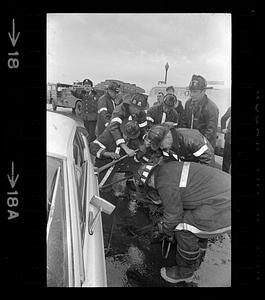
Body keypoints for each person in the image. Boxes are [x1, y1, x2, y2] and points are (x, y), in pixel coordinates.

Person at [134, 159, 231, 283]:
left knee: (183, 227)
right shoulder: (169, 169)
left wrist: (163, 229)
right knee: (193, 217)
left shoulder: (163, 184)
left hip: (223, 207)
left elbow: (173, 216)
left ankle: (185, 272)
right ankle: (199, 246)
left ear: (148, 182)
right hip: (222, 194)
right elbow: (185, 196)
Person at [90, 120, 142, 185]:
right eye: (127, 136)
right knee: (96, 185)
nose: (128, 139)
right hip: (102, 166)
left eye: (130, 137)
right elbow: (93, 147)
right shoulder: (109, 135)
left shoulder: (132, 140)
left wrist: (137, 155)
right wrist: (108, 154)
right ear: (123, 131)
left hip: (114, 170)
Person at [145, 123, 215, 166]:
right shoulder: (168, 145)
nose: (161, 147)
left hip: (203, 162)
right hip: (188, 162)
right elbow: (167, 161)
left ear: (167, 137)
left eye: (161, 144)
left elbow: (208, 160)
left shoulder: (192, 140)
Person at [181, 75, 219, 149]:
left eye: (195, 92)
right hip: (190, 145)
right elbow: (184, 122)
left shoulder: (211, 107)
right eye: (190, 91)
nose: (191, 94)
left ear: (203, 91)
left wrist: (197, 144)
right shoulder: (188, 103)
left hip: (205, 148)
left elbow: (210, 132)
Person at [108, 93, 149, 158]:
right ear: (130, 105)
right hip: (114, 136)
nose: (137, 111)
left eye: (139, 109)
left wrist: (144, 140)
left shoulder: (141, 113)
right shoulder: (119, 110)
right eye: (135, 108)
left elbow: (143, 129)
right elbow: (114, 128)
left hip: (131, 137)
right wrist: (125, 148)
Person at [74, 78, 100, 143]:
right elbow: (78, 95)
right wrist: (74, 92)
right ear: (83, 87)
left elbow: (98, 105)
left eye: (88, 86)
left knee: (91, 133)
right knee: (87, 131)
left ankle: (89, 145)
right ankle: (93, 143)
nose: (87, 88)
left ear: (91, 87)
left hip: (93, 117)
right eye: (85, 86)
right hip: (85, 117)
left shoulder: (95, 95)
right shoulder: (83, 94)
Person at [221, 106, 231, 173]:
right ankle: (224, 175)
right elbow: (224, 118)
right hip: (229, 138)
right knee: (226, 159)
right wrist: (223, 128)